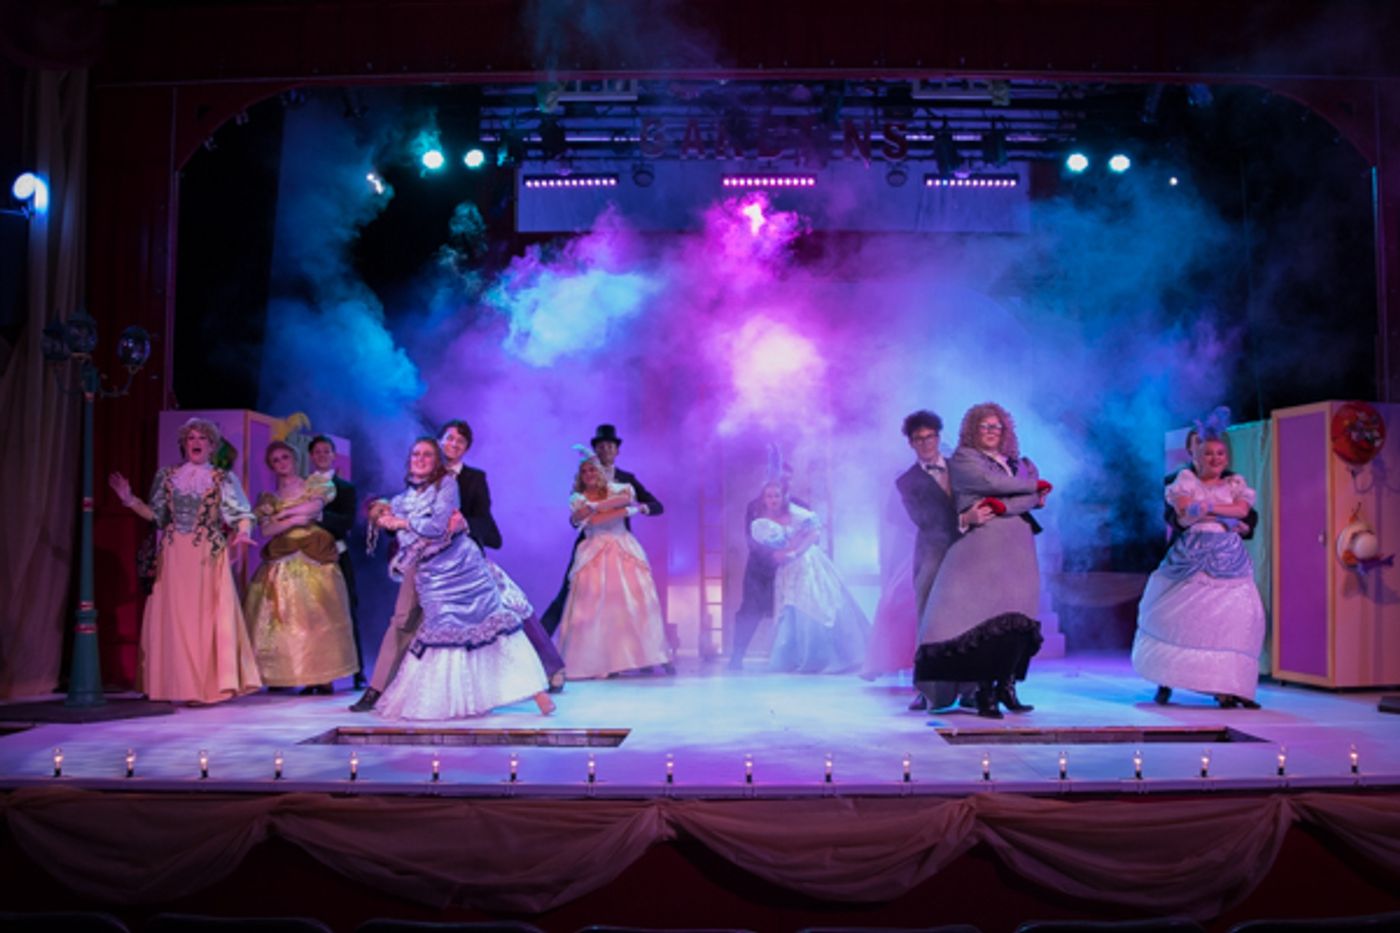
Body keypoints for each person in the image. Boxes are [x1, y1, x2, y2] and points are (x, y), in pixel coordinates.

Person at [368, 437, 554, 720]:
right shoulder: (400, 500)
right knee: (445, 632)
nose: (420, 458)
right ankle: (454, 701)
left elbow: (436, 526)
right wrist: (409, 528)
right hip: (433, 577)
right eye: (416, 454)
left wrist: (405, 523)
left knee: (495, 625)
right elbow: (413, 541)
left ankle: (538, 695)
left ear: (436, 462)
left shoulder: (447, 486)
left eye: (427, 455)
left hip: (466, 568)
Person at [108, 417, 262, 704]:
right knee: (175, 618)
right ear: (184, 444)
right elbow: (158, 516)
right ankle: (174, 685)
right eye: (191, 438)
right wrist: (129, 500)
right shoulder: (167, 476)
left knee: (203, 618)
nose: (196, 443)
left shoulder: (222, 478)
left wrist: (242, 533)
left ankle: (204, 688)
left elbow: (242, 513)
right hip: (173, 555)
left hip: (206, 553)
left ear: (212, 445)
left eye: (202, 438)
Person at [913, 403, 1047, 718]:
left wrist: (1006, 506)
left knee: (1018, 618)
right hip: (984, 547)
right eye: (985, 426)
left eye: (997, 426)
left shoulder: (1019, 462)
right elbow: (994, 486)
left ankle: (1007, 686)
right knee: (988, 621)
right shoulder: (964, 459)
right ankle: (985, 691)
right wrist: (1029, 491)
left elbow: (1031, 499)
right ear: (974, 429)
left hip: (1019, 547)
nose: (991, 432)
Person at [1132, 413, 1266, 709]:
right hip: (1190, 558)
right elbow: (1182, 515)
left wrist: (1209, 509)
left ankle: (1230, 687)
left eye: (1220, 453)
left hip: (1228, 560)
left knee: (1235, 619)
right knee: (1178, 616)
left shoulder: (1235, 483)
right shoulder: (1182, 480)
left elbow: (1244, 513)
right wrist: (1220, 513)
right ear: (1192, 452)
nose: (1214, 458)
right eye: (1206, 452)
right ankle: (1165, 679)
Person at [243, 441, 359, 694]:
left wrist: (285, 516)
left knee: (317, 617)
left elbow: (314, 509)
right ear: (271, 466)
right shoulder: (268, 498)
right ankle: (287, 674)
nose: (282, 463)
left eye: (285, 457)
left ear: (294, 459)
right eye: (276, 460)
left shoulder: (314, 485)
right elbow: (266, 529)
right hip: (282, 561)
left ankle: (321, 676)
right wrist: (293, 519)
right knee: (283, 620)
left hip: (314, 558)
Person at [553, 451, 672, 679]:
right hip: (594, 551)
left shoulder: (617, 487)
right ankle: (597, 662)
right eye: (584, 471)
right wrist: (618, 510)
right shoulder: (577, 497)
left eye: (592, 470)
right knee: (593, 607)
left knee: (631, 604)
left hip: (623, 548)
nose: (588, 474)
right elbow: (593, 520)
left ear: (600, 472)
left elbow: (626, 498)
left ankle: (634, 658)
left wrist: (601, 506)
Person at [540, 424, 664, 639]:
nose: (606, 450)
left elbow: (656, 505)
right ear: (595, 451)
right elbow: (577, 512)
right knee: (569, 592)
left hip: (619, 544)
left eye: (610, 446)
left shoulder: (627, 478)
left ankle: (642, 654)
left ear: (617, 451)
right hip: (591, 541)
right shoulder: (585, 475)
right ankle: (540, 643)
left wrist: (643, 507)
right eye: (601, 447)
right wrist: (577, 517)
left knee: (631, 597)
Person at [753, 483, 871, 674]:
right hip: (787, 568)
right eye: (769, 496)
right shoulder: (763, 522)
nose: (773, 500)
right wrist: (780, 553)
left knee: (812, 603)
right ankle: (793, 658)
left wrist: (796, 551)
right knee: (790, 608)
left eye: (776, 495)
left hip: (806, 562)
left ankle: (820, 658)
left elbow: (814, 532)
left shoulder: (796, 513)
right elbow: (769, 545)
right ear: (764, 499)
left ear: (783, 497)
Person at [889, 410, 965, 705]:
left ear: (938, 436)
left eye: (929, 437)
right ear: (910, 443)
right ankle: (925, 689)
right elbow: (922, 519)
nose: (925, 443)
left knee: (969, 619)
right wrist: (963, 519)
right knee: (929, 619)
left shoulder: (961, 467)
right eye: (918, 439)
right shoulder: (906, 482)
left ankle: (970, 689)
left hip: (968, 550)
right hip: (933, 550)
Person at [308, 434, 368, 689]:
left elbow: (346, 522)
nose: (322, 455)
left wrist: (317, 514)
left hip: (337, 554)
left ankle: (358, 671)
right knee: (311, 614)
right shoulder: (304, 486)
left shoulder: (345, 488)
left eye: (326, 451)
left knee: (347, 609)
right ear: (311, 456)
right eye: (317, 452)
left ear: (334, 455)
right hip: (308, 557)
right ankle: (315, 674)